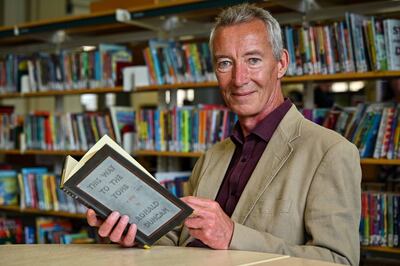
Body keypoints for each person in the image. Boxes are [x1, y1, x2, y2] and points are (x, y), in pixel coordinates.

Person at [87, 4, 361, 266]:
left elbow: (338, 260)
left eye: (253, 60)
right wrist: (133, 233)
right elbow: (178, 236)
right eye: (225, 63)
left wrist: (232, 236)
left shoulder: (330, 152)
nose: (239, 78)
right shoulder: (212, 156)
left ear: (281, 64)